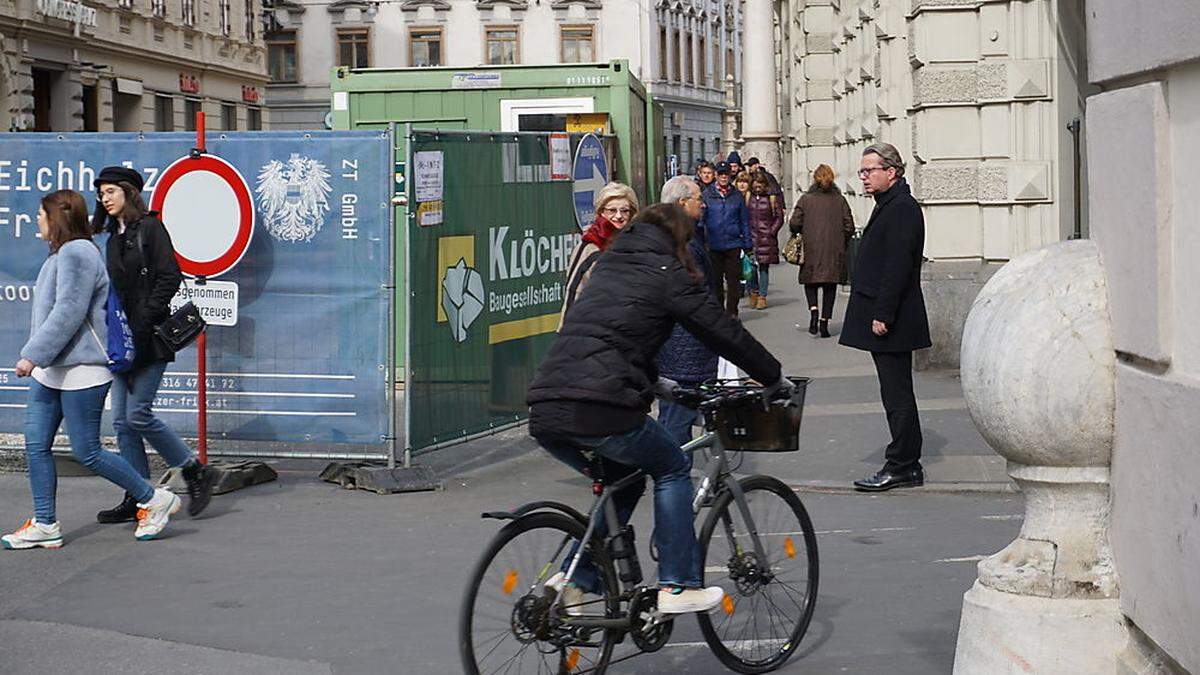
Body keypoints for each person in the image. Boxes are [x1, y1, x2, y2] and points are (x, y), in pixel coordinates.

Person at [527, 203, 791, 615]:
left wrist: (658, 385)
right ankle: (678, 584)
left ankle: (574, 580)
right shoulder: (666, 272)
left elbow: (614, 336)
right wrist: (772, 375)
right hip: (599, 407)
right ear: (679, 240)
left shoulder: (610, 267)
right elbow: (720, 328)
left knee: (627, 479)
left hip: (546, 408)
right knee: (671, 467)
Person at [3, 190, 182, 550]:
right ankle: (45, 523)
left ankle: (153, 497)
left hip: (81, 370)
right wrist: (40, 360)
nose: (36, 220)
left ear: (58, 218)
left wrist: (32, 355)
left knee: (87, 451)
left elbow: (69, 311)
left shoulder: (78, 253)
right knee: (36, 445)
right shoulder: (58, 255)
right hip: (50, 370)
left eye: (41, 214)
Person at [91, 167, 215, 523]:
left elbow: (170, 276)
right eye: (101, 193)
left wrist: (144, 320)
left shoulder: (150, 228)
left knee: (137, 414)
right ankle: (139, 494)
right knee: (121, 423)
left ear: (129, 192)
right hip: (121, 340)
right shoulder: (112, 238)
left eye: (111, 191)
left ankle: (194, 470)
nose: (105, 198)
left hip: (150, 337)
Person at [840, 143, 931, 492]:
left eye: (869, 171)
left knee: (897, 394)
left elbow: (898, 265)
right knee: (894, 393)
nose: (863, 177)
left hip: (893, 318)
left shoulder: (902, 209)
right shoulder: (889, 205)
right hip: (888, 314)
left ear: (891, 172)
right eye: (861, 171)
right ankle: (906, 462)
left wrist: (883, 314)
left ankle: (903, 464)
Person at [653, 177, 716, 445]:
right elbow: (697, 301)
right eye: (698, 199)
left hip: (677, 350)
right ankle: (672, 480)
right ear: (682, 203)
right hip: (685, 352)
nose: (703, 204)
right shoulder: (683, 245)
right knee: (678, 425)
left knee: (672, 419)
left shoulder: (670, 237)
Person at [559, 182, 639, 328]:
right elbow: (574, 292)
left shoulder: (638, 245)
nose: (619, 216)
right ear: (601, 213)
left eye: (625, 210)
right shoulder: (589, 247)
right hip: (594, 330)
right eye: (612, 211)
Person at [791, 164, 855, 337]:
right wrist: (842, 240)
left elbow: (794, 222)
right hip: (834, 250)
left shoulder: (806, 199)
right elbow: (849, 225)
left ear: (815, 179)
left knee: (810, 282)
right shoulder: (840, 200)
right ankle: (824, 322)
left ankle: (813, 311)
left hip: (811, 248)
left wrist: (801, 232)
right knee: (830, 286)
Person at [700, 162, 750, 316]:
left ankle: (732, 313)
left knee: (733, 281)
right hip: (713, 244)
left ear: (729, 175)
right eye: (720, 174)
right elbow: (702, 220)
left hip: (733, 243)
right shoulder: (707, 194)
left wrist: (748, 243)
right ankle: (719, 312)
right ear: (716, 175)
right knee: (716, 282)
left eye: (726, 174)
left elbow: (744, 220)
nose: (723, 177)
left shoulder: (736, 196)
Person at [744, 173, 784, 310]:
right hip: (751, 236)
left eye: (760, 185)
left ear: (765, 185)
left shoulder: (772, 199)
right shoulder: (748, 198)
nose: (757, 187)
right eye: (755, 184)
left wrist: (771, 232)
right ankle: (753, 293)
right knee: (751, 268)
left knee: (764, 268)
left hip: (765, 237)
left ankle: (762, 296)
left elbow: (779, 218)